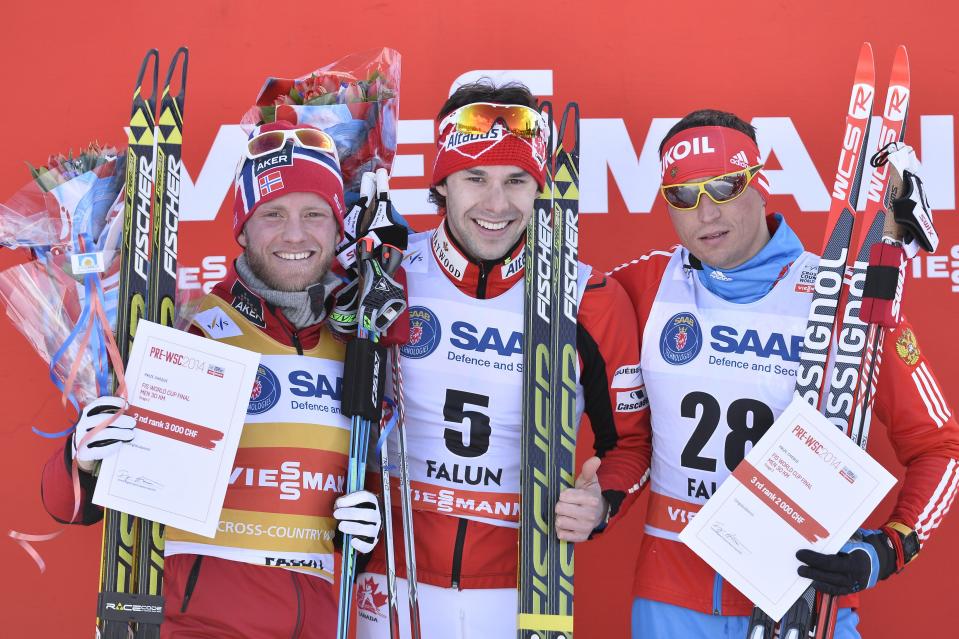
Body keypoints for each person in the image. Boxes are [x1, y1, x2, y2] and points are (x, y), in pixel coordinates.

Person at [609, 109, 959, 639]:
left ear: (761, 184)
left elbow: (940, 445)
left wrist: (890, 547)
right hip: (670, 603)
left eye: (724, 187)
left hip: (803, 603)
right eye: (682, 195)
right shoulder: (643, 285)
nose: (704, 214)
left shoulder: (840, 297)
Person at [40, 120, 383, 638]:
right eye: (273, 214)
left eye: (315, 214)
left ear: (338, 229)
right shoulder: (192, 327)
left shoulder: (353, 344)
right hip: (198, 622)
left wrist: (365, 528)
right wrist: (83, 458)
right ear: (242, 228)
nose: (295, 234)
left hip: (318, 621)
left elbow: (355, 497)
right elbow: (66, 506)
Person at [353, 82, 652, 638]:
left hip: (520, 588)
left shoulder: (587, 298)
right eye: (475, 179)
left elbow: (631, 443)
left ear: (541, 189)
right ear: (442, 183)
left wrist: (602, 500)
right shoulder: (387, 273)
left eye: (517, 181)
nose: (497, 204)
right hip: (388, 576)